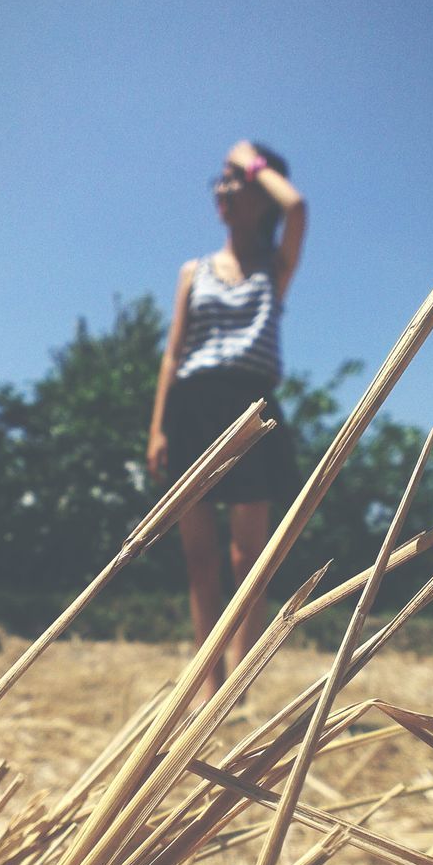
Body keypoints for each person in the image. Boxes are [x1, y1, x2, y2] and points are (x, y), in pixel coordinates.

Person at [147, 139, 307, 701]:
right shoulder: (194, 270)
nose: (224, 186)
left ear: (262, 190)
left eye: (236, 179)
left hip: (252, 408)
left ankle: (238, 687)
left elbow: (297, 209)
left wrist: (253, 162)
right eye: (222, 177)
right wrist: (159, 427)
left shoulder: (274, 265)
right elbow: (173, 352)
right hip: (193, 408)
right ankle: (205, 680)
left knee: (250, 557)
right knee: (199, 556)